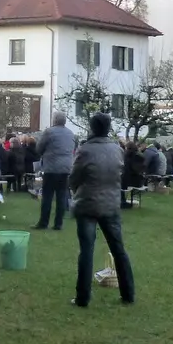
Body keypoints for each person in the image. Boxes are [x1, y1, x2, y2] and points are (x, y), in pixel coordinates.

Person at [69, 113, 135, 307]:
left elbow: (74, 178)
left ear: (91, 127)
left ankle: (83, 297)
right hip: (110, 203)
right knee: (118, 249)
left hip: (88, 203)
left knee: (87, 251)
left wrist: (76, 190)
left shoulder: (85, 150)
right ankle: (128, 293)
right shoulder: (117, 149)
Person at [33, 115, 78, 231]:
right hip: (66, 168)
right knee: (61, 195)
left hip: (51, 167)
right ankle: (58, 224)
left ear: (54, 120)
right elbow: (74, 148)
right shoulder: (71, 134)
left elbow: (39, 148)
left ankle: (44, 222)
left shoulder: (49, 132)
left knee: (47, 195)